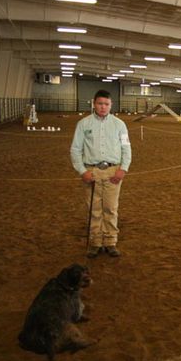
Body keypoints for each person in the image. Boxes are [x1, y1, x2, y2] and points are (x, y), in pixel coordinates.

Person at [70, 90, 132, 258]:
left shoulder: (120, 125)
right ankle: (95, 243)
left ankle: (110, 241)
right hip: (92, 172)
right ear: (94, 104)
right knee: (94, 209)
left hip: (113, 171)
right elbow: (76, 149)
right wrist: (83, 171)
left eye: (106, 104)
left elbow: (126, 148)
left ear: (111, 105)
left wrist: (123, 169)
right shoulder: (83, 124)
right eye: (99, 103)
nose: (103, 107)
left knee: (111, 208)